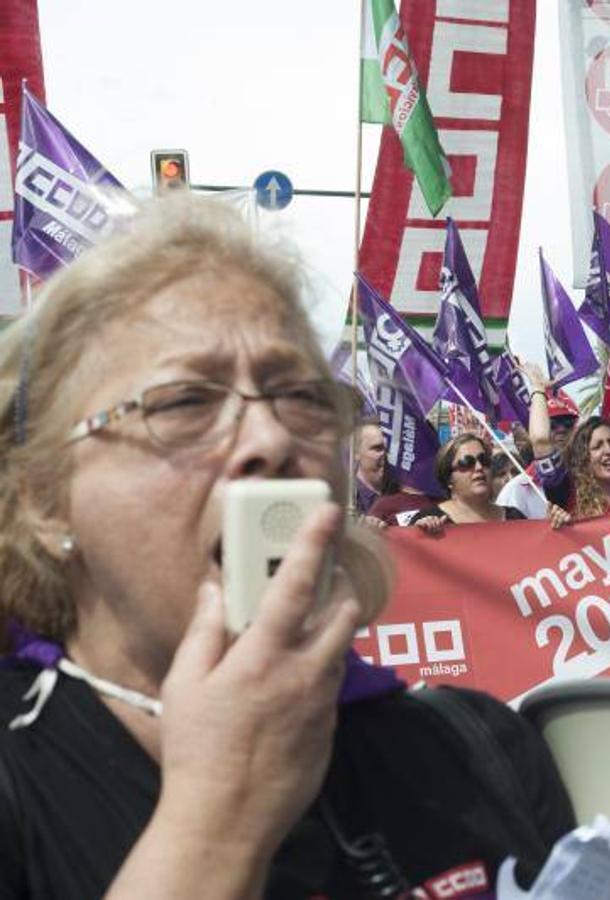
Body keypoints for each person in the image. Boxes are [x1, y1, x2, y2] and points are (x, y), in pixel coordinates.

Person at [0, 197, 574, 896]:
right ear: (44, 500)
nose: (272, 440)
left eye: (301, 397)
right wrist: (218, 822)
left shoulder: (481, 752)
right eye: (184, 403)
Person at [395, 433, 570, 534]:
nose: (478, 468)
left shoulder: (513, 516)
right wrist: (419, 535)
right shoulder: (428, 518)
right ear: (448, 478)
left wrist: (550, 529)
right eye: (466, 463)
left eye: (484, 460)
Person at [497, 363, 579, 520]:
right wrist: (538, 388)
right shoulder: (515, 491)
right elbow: (541, 441)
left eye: (568, 423)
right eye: (552, 424)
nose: (561, 430)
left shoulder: (592, 478)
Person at [538, 417, 610, 519]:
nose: (609, 451)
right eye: (598, 447)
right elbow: (540, 441)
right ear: (583, 458)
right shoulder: (571, 504)